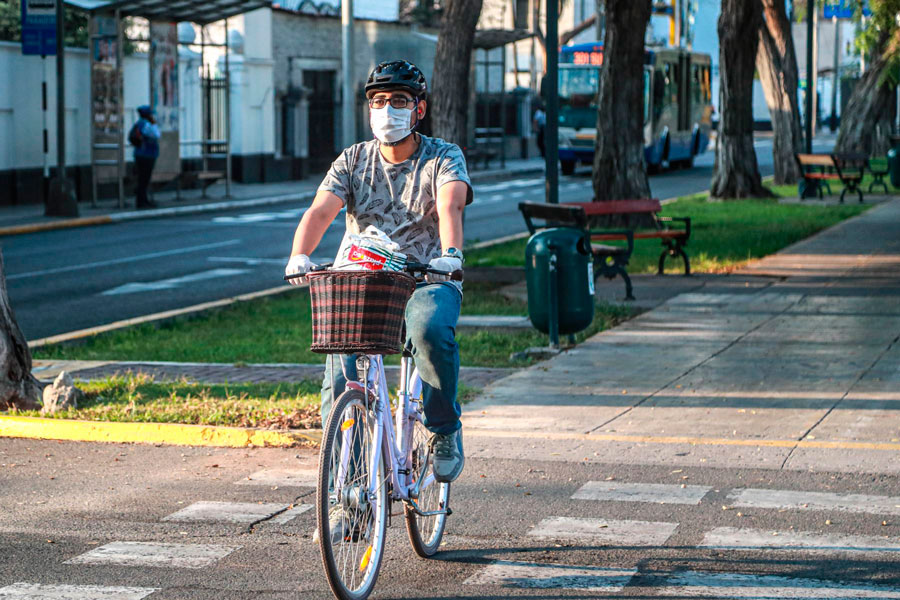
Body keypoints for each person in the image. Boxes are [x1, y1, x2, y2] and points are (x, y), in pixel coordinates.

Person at [285, 60, 472, 487]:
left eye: (400, 101)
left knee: (428, 331)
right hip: (363, 282)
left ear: (419, 109)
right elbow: (320, 210)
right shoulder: (353, 160)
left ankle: (444, 429)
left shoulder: (443, 156)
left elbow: (450, 205)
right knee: (340, 375)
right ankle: (344, 493)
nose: (388, 110)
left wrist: (451, 254)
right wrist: (300, 253)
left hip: (429, 277)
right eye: (379, 101)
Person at [132, 105, 160, 209]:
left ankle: (143, 200)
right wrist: (153, 123)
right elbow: (156, 134)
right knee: (144, 179)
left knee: (143, 179)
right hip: (146, 155)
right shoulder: (146, 125)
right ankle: (141, 202)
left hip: (141, 154)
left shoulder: (139, 124)